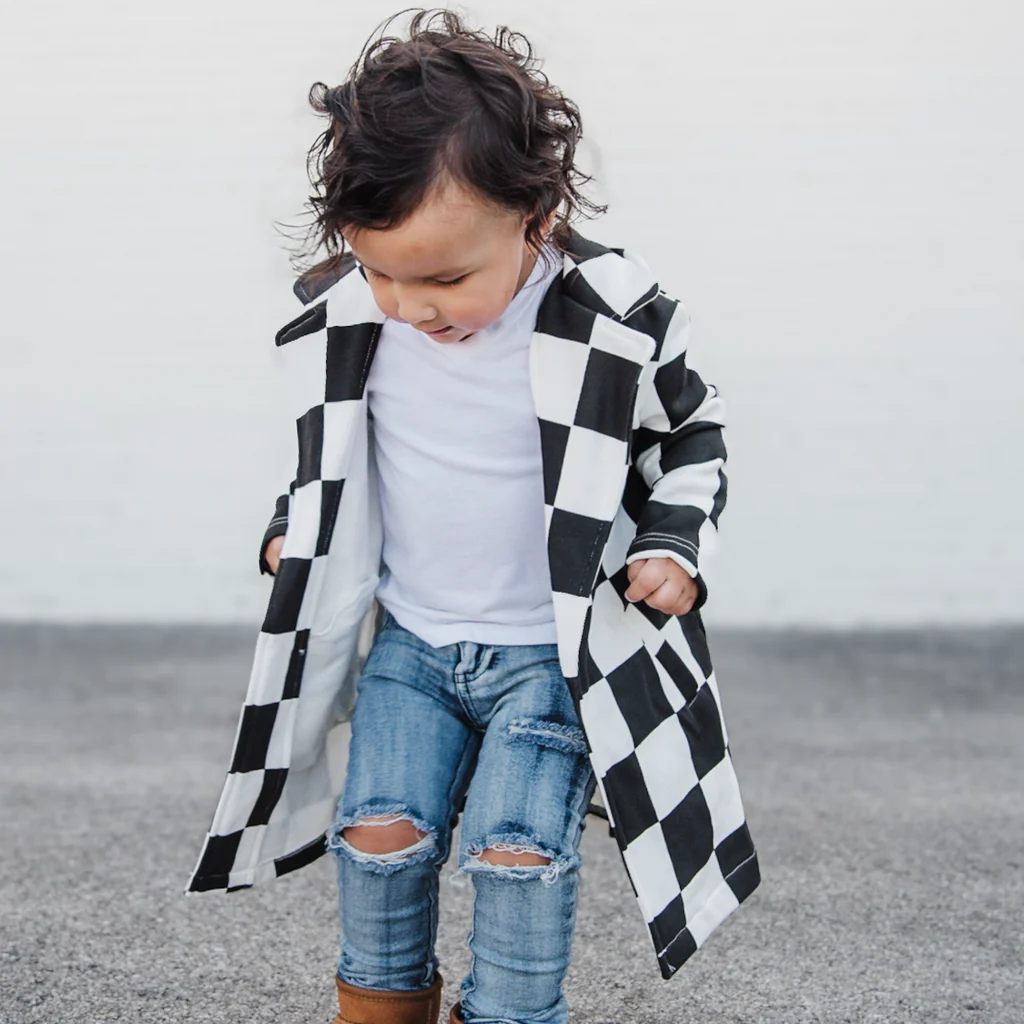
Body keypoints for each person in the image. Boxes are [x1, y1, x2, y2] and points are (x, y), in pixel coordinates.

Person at [186, 9, 760, 1024]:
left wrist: (673, 541)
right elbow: (334, 453)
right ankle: (379, 1006)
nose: (412, 305)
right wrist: (293, 523)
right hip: (411, 641)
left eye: (446, 277)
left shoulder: (614, 320)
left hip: (547, 652)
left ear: (534, 218)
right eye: (383, 270)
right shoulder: (355, 323)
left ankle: (511, 1012)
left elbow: (692, 434)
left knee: (516, 853)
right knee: (378, 835)